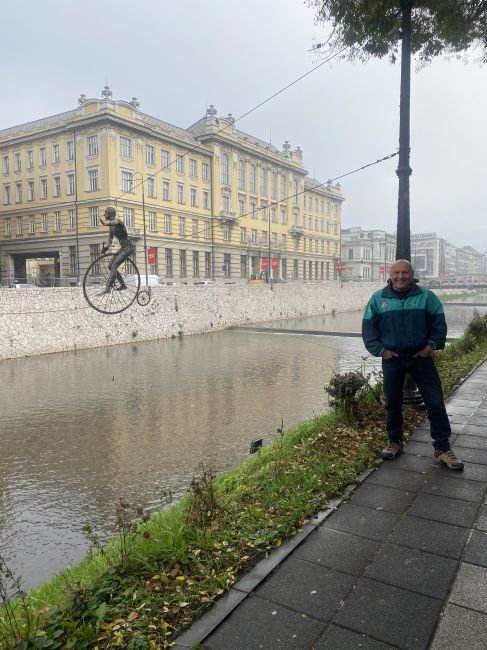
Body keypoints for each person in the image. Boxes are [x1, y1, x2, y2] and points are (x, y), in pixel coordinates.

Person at [362, 259, 463, 470]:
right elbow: (369, 329)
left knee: (435, 402)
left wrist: (431, 347)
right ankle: (395, 441)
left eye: (405, 273)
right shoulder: (378, 299)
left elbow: (439, 324)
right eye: (396, 272)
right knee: (393, 403)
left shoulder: (426, 297)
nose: (401, 276)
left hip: (421, 359)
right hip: (393, 359)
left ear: (412, 274)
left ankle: (442, 448)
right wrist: (381, 351)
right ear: (390, 274)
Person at [98, 206, 135, 295]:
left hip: (128, 247)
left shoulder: (118, 222)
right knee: (110, 266)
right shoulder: (111, 227)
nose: (104, 214)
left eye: (105, 213)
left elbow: (114, 222)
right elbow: (110, 239)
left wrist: (105, 224)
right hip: (123, 248)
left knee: (114, 265)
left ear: (110, 213)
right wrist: (106, 248)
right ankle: (123, 285)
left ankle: (107, 288)